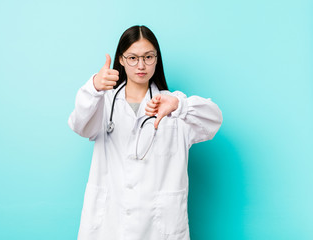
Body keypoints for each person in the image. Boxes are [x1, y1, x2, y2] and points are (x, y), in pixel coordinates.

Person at [68, 25, 223, 240]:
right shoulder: (104, 102)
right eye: (132, 58)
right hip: (110, 223)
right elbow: (79, 125)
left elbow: (214, 119)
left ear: (156, 59)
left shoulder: (172, 104)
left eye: (148, 57)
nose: (141, 65)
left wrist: (179, 106)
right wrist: (93, 87)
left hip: (157, 226)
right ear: (121, 59)